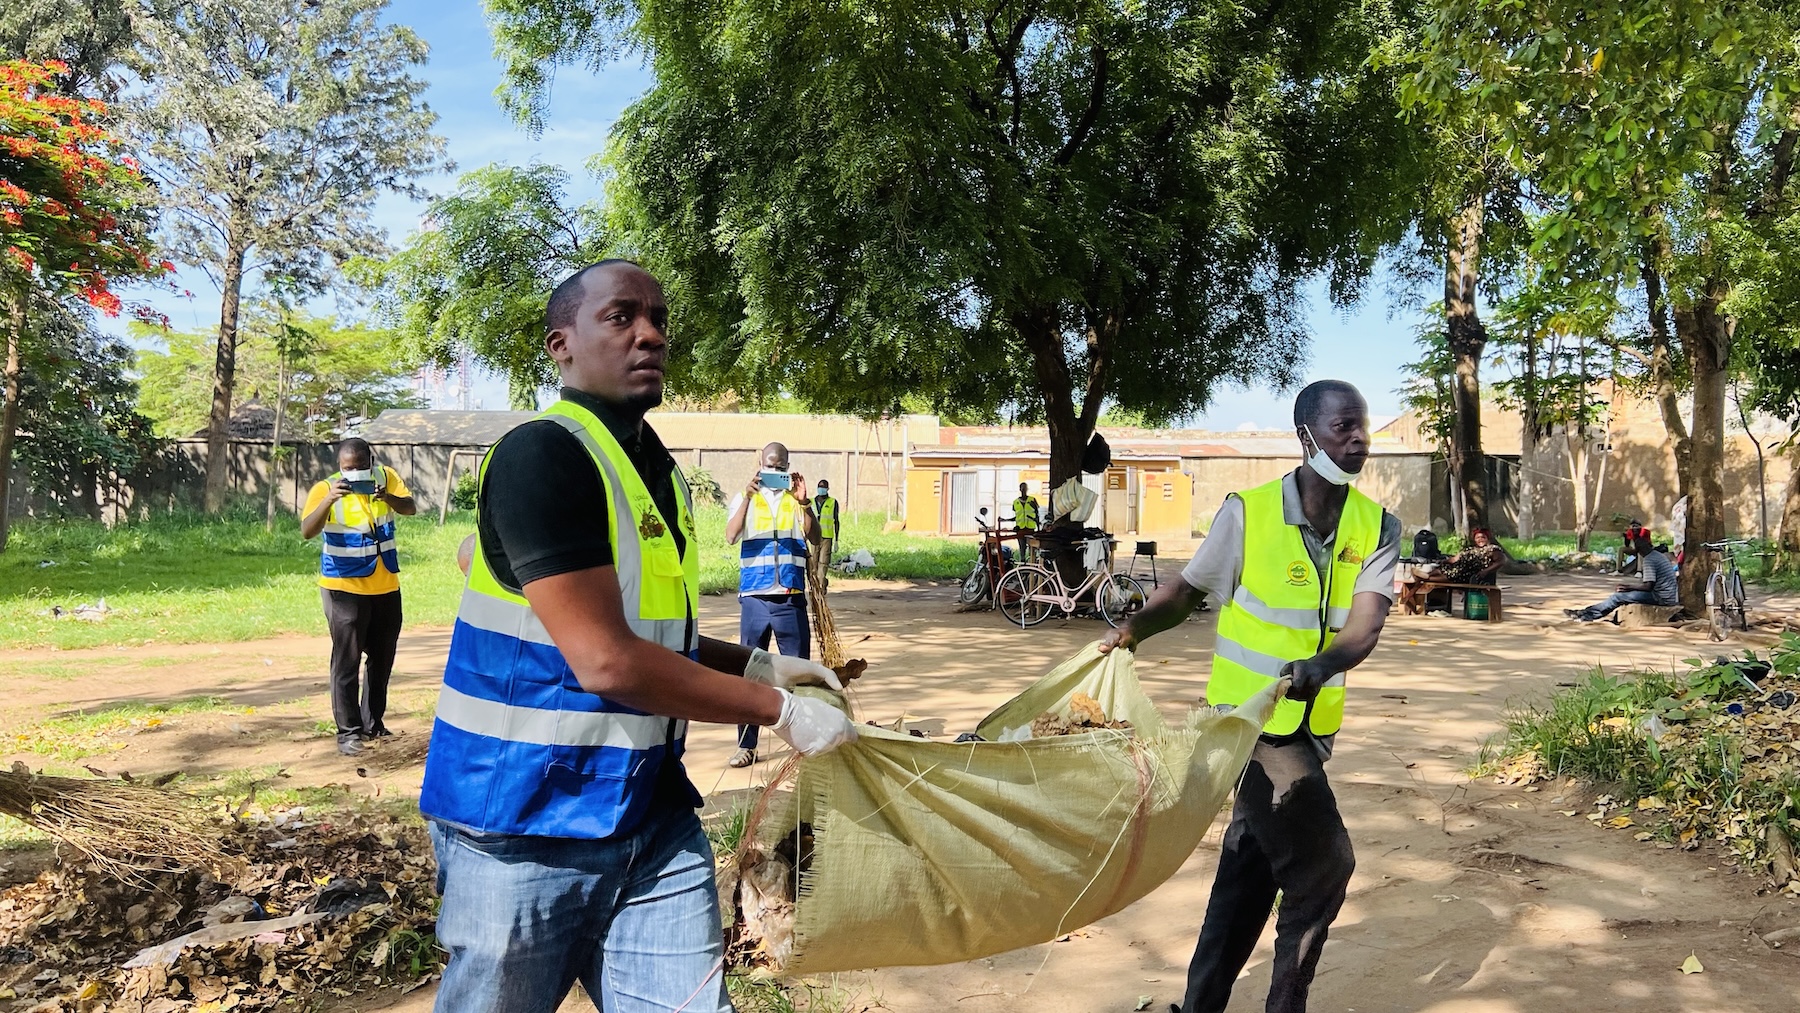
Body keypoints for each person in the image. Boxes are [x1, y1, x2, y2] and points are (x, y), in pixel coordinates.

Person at [418, 260, 856, 1013]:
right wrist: (773, 708)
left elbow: (654, 634)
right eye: (621, 316)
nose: (649, 333)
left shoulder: (653, 470)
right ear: (560, 344)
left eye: (657, 318)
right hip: (518, 825)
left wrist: (764, 663)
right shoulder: (543, 455)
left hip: (647, 821)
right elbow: (607, 659)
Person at [1099, 379, 1400, 1013]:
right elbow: (1186, 592)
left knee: (1249, 870)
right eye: (1344, 425)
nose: (1359, 438)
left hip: (1309, 724)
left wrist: (1320, 665)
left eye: (1363, 427)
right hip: (1248, 728)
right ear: (1307, 435)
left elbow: (1364, 627)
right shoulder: (1248, 512)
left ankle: (1199, 1005)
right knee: (1324, 867)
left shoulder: (1378, 525)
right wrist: (1131, 632)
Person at [300, 438, 416, 757]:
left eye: (358, 468)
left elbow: (411, 507)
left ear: (371, 461)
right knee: (346, 662)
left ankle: (373, 723)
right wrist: (329, 499)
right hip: (343, 588)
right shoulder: (324, 488)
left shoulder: (386, 478)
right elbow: (307, 530)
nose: (352, 474)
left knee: (382, 661)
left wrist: (387, 496)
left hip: (386, 586)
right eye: (346, 469)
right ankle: (348, 732)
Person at [725, 442, 821, 768]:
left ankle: (802, 743)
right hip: (754, 597)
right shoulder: (745, 497)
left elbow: (816, 537)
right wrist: (748, 497)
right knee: (750, 674)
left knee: (800, 674)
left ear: (788, 467)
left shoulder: (798, 500)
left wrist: (805, 502)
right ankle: (745, 746)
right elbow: (730, 535)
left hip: (790, 596)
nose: (774, 473)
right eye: (769, 466)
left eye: (780, 468)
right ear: (759, 463)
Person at [1566, 530, 1679, 622]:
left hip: (1661, 598)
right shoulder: (1658, 556)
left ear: (1638, 549)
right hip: (1667, 595)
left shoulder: (1649, 560)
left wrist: (1628, 587)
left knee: (1617, 597)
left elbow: (1648, 586)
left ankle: (1588, 615)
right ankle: (1587, 612)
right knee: (1623, 595)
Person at [812, 478, 841, 589]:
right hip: (813, 537)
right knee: (813, 563)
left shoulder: (833, 502)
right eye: (820, 487)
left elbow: (836, 521)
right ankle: (815, 585)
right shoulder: (811, 502)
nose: (821, 489)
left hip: (826, 537)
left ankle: (820, 586)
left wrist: (837, 540)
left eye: (823, 487)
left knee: (823, 562)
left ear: (827, 489)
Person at [1012, 481, 1040, 560]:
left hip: (1030, 529)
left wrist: (1038, 528)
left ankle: (1032, 565)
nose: (1024, 489)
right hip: (1020, 529)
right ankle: (1023, 565)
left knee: (1032, 548)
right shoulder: (1015, 502)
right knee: (1022, 548)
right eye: (1022, 488)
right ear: (1019, 489)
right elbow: (1017, 516)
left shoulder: (1032, 500)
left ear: (1027, 489)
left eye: (1025, 488)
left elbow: (1037, 514)